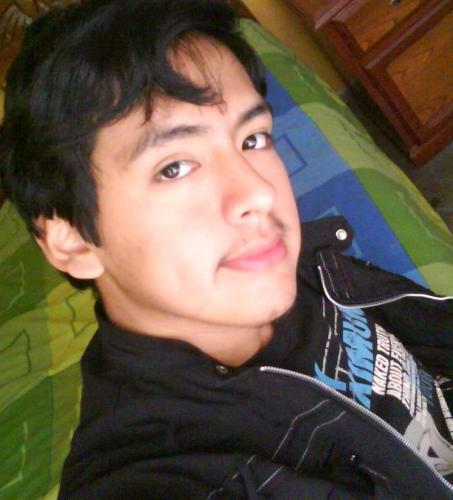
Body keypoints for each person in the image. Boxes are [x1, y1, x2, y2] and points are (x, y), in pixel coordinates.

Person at [1, 0, 452, 498]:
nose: (259, 193)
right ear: (73, 242)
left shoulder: (298, 266)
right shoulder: (158, 473)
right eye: (174, 167)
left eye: (253, 139)